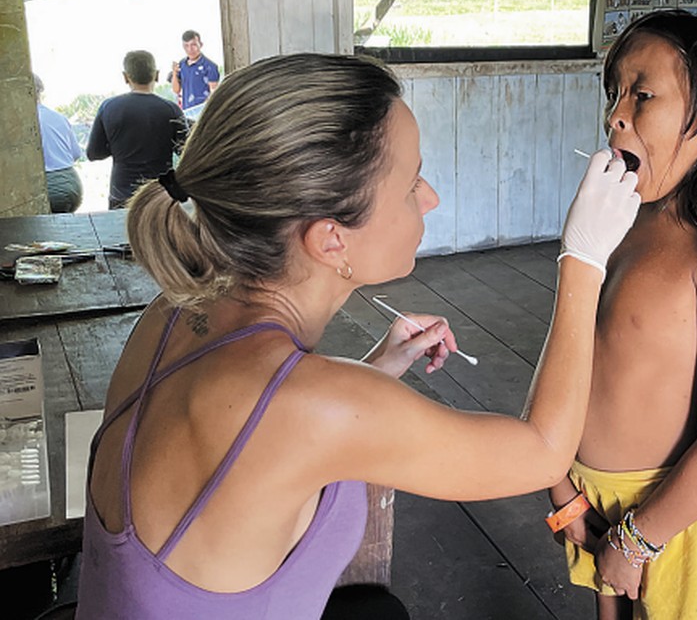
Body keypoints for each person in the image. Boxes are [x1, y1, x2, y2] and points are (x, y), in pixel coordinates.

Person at [74, 53, 641, 619]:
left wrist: (375, 370)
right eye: (410, 184)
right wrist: (584, 259)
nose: (430, 198)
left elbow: (261, 438)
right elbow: (540, 455)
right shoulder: (312, 405)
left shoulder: (173, 310)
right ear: (331, 241)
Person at [547, 9, 697, 620]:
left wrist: (638, 537)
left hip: (674, 518)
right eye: (614, 92)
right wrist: (560, 486)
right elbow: (571, 354)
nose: (615, 114)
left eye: (642, 95)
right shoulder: (615, 220)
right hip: (593, 505)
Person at [87, 50, 188, 210]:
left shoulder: (108, 107)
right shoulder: (171, 110)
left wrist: (118, 146)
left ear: (126, 77)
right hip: (160, 194)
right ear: (156, 75)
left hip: (121, 195)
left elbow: (93, 153)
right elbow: (186, 152)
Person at [34, 74, 83, 213]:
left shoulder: (22, 122)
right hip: (71, 181)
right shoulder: (58, 117)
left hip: (49, 186)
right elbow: (76, 154)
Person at [170, 29, 220, 112]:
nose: (190, 49)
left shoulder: (210, 66)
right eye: (186, 46)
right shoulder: (182, 64)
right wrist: (174, 73)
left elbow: (213, 93)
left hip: (203, 111)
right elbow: (176, 90)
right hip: (187, 110)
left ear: (200, 44)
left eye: (193, 45)